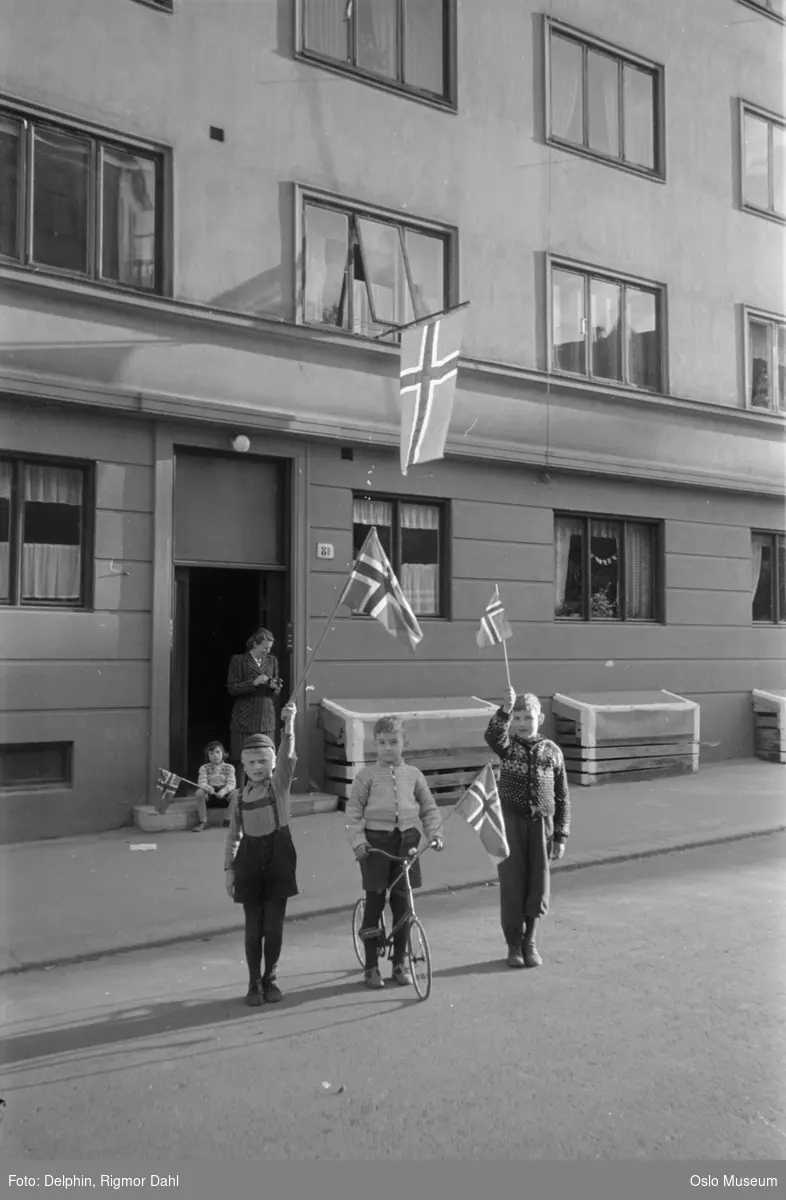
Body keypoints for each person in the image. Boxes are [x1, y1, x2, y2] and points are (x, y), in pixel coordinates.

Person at [345, 716, 444, 990]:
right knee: (375, 900)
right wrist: (358, 842)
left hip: (408, 843)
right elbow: (352, 813)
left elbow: (429, 809)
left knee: (403, 904)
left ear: (404, 743)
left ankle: (400, 962)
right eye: (382, 743)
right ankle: (371, 966)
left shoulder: (414, 775)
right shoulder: (366, 776)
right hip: (376, 846)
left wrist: (435, 834)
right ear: (375, 744)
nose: (388, 748)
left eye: (393, 742)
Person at [484, 687, 570, 969]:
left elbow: (562, 796)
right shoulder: (508, 746)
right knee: (512, 885)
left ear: (540, 718)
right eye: (518, 718)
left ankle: (530, 942)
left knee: (538, 884)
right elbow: (493, 736)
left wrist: (560, 835)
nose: (522, 723)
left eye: (527, 717)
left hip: (541, 827)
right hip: (510, 824)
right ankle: (513, 945)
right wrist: (505, 711)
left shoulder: (552, 752)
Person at [224, 701, 298, 1006]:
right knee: (254, 929)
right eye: (252, 762)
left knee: (273, 928)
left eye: (263, 761)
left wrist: (288, 724)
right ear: (244, 765)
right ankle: (254, 981)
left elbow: (288, 755)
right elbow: (232, 836)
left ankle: (271, 978)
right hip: (249, 865)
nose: (258, 767)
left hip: (279, 861)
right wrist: (229, 869)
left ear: (271, 763)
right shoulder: (238, 797)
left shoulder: (279, 788)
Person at [227, 628, 283, 784]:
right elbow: (232, 688)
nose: (268, 651)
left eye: (270, 648)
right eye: (265, 647)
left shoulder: (272, 661)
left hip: (266, 714)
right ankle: (241, 792)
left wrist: (274, 686)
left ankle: (267, 793)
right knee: (241, 756)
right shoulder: (239, 660)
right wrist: (253, 682)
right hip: (244, 715)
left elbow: (276, 691)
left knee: (267, 755)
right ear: (254, 644)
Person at [192, 741, 236, 832]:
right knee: (199, 792)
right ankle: (203, 821)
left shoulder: (229, 767)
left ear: (223, 753)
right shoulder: (204, 768)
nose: (215, 755)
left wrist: (223, 791)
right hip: (210, 795)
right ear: (208, 756)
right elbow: (201, 782)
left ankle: (228, 819)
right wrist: (208, 788)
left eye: (217, 752)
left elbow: (231, 783)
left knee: (237, 793)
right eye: (211, 753)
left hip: (224, 795)